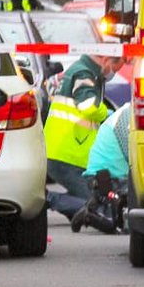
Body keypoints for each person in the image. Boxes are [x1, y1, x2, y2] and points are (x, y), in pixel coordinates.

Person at [43, 53, 124, 222]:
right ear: (105, 59)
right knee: (96, 206)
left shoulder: (85, 72)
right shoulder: (83, 74)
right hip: (65, 156)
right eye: (114, 69)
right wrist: (109, 115)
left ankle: (71, 210)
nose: (112, 73)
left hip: (67, 152)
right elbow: (88, 106)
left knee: (91, 199)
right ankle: (46, 199)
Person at [73, 102, 132, 233]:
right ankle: (88, 215)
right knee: (121, 226)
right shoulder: (129, 120)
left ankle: (99, 202)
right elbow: (136, 160)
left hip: (105, 177)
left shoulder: (127, 113)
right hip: (107, 179)